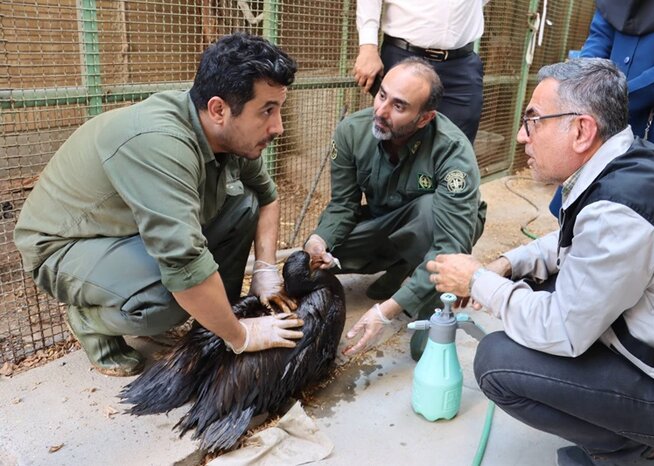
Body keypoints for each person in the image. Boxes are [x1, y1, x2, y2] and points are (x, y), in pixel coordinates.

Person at [427, 58, 654, 466]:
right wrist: (507, 263)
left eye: (533, 120)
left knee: (498, 362)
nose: (522, 136)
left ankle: (637, 452)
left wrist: (478, 280)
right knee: (535, 283)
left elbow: (563, 330)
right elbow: (575, 243)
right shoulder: (632, 160)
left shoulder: (619, 211)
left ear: (580, 130)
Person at [13, 33, 305, 377]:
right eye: (267, 111)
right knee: (167, 300)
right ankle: (88, 321)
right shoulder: (161, 143)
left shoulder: (232, 136)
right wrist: (240, 336)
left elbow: (266, 199)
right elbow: (184, 267)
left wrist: (266, 271)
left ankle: (212, 317)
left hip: (128, 233)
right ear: (218, 109)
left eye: (279, 109)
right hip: (65, 245)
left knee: (244, 205)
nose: (279, 127)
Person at [304, 57, 486, 360]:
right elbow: (343, 204)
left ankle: (429, 298)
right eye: (382, 95)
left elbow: (450, 246)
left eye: (398, 106)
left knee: (428, 213)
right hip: (386, 222)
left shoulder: (452, 150)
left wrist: (386, 311)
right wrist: (319, 241)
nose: (381, 111)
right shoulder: (352, 132)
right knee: (322, 254)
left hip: (439, 233)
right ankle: (402, 265)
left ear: (425, 118)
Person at [549, 0, 654, 215]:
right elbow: (597, 43)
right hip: (601, 117)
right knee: (581, 209)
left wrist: (615, 98)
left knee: (643, 216)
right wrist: (582, 88)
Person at [353, 0, 485, 143]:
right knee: (394, 140)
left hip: (461, 63)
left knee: (458, 143)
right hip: (404, 53)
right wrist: (368, 46)